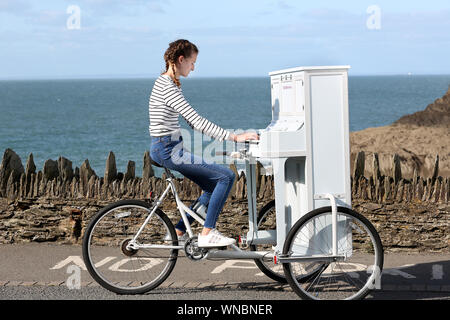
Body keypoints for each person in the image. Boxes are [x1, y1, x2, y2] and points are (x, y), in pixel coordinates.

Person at [149, 39, 259, 248]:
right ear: (180, 60)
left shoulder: (168, 83)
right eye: (192, 62)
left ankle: (180, 230)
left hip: (166, 147)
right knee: (226, 176)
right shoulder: (168, 87)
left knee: (211, 187)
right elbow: (197, 122)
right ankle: (208, 233)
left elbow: (190, 121)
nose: (193, 67)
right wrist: (234, 137)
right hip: (167, 149)